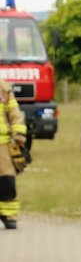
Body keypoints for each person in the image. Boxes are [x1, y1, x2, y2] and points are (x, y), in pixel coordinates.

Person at [0, 79, 27, 229]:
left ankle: (9, 214)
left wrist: (19, 134)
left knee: (7, 180)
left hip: (2, 144)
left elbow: (14, 112)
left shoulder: (2, 87)